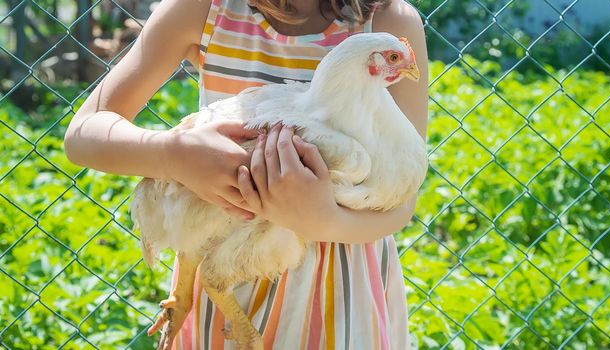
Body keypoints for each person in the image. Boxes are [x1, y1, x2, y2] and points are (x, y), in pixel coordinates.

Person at [63, 0, 428, 348]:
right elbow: (83, 134)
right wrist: (171, 154)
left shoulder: (389, 22)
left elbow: (401, 196)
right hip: (224, 264)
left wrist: (323, 220)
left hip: (342, 284)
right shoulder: (203, 9)